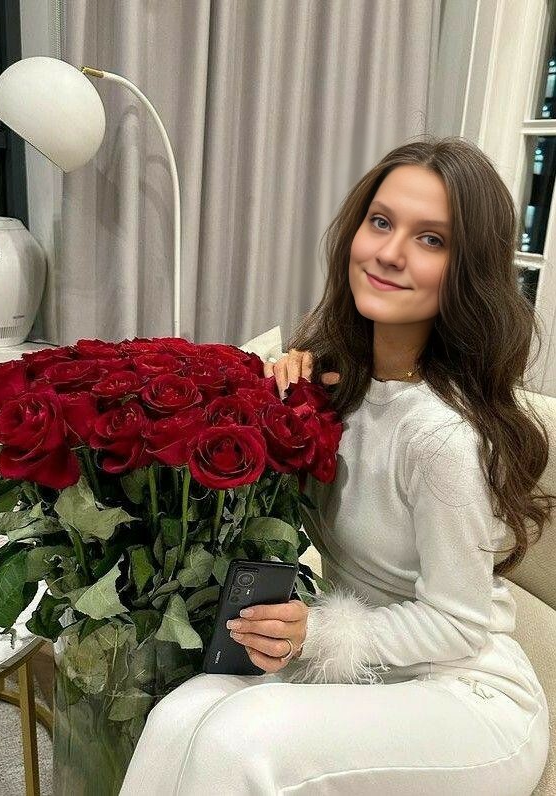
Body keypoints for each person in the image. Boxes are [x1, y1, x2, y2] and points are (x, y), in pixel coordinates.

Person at [120, 135, 554, 795]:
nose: (389, 252)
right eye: (380, 222)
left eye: (430, 239)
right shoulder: (333, 387)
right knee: (180, 714)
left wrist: (315, 632)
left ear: (467, 271)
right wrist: (270, 402)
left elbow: (458, 624)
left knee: (239, 741)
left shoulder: (441, 436)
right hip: (367, 671)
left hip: (464, 693)